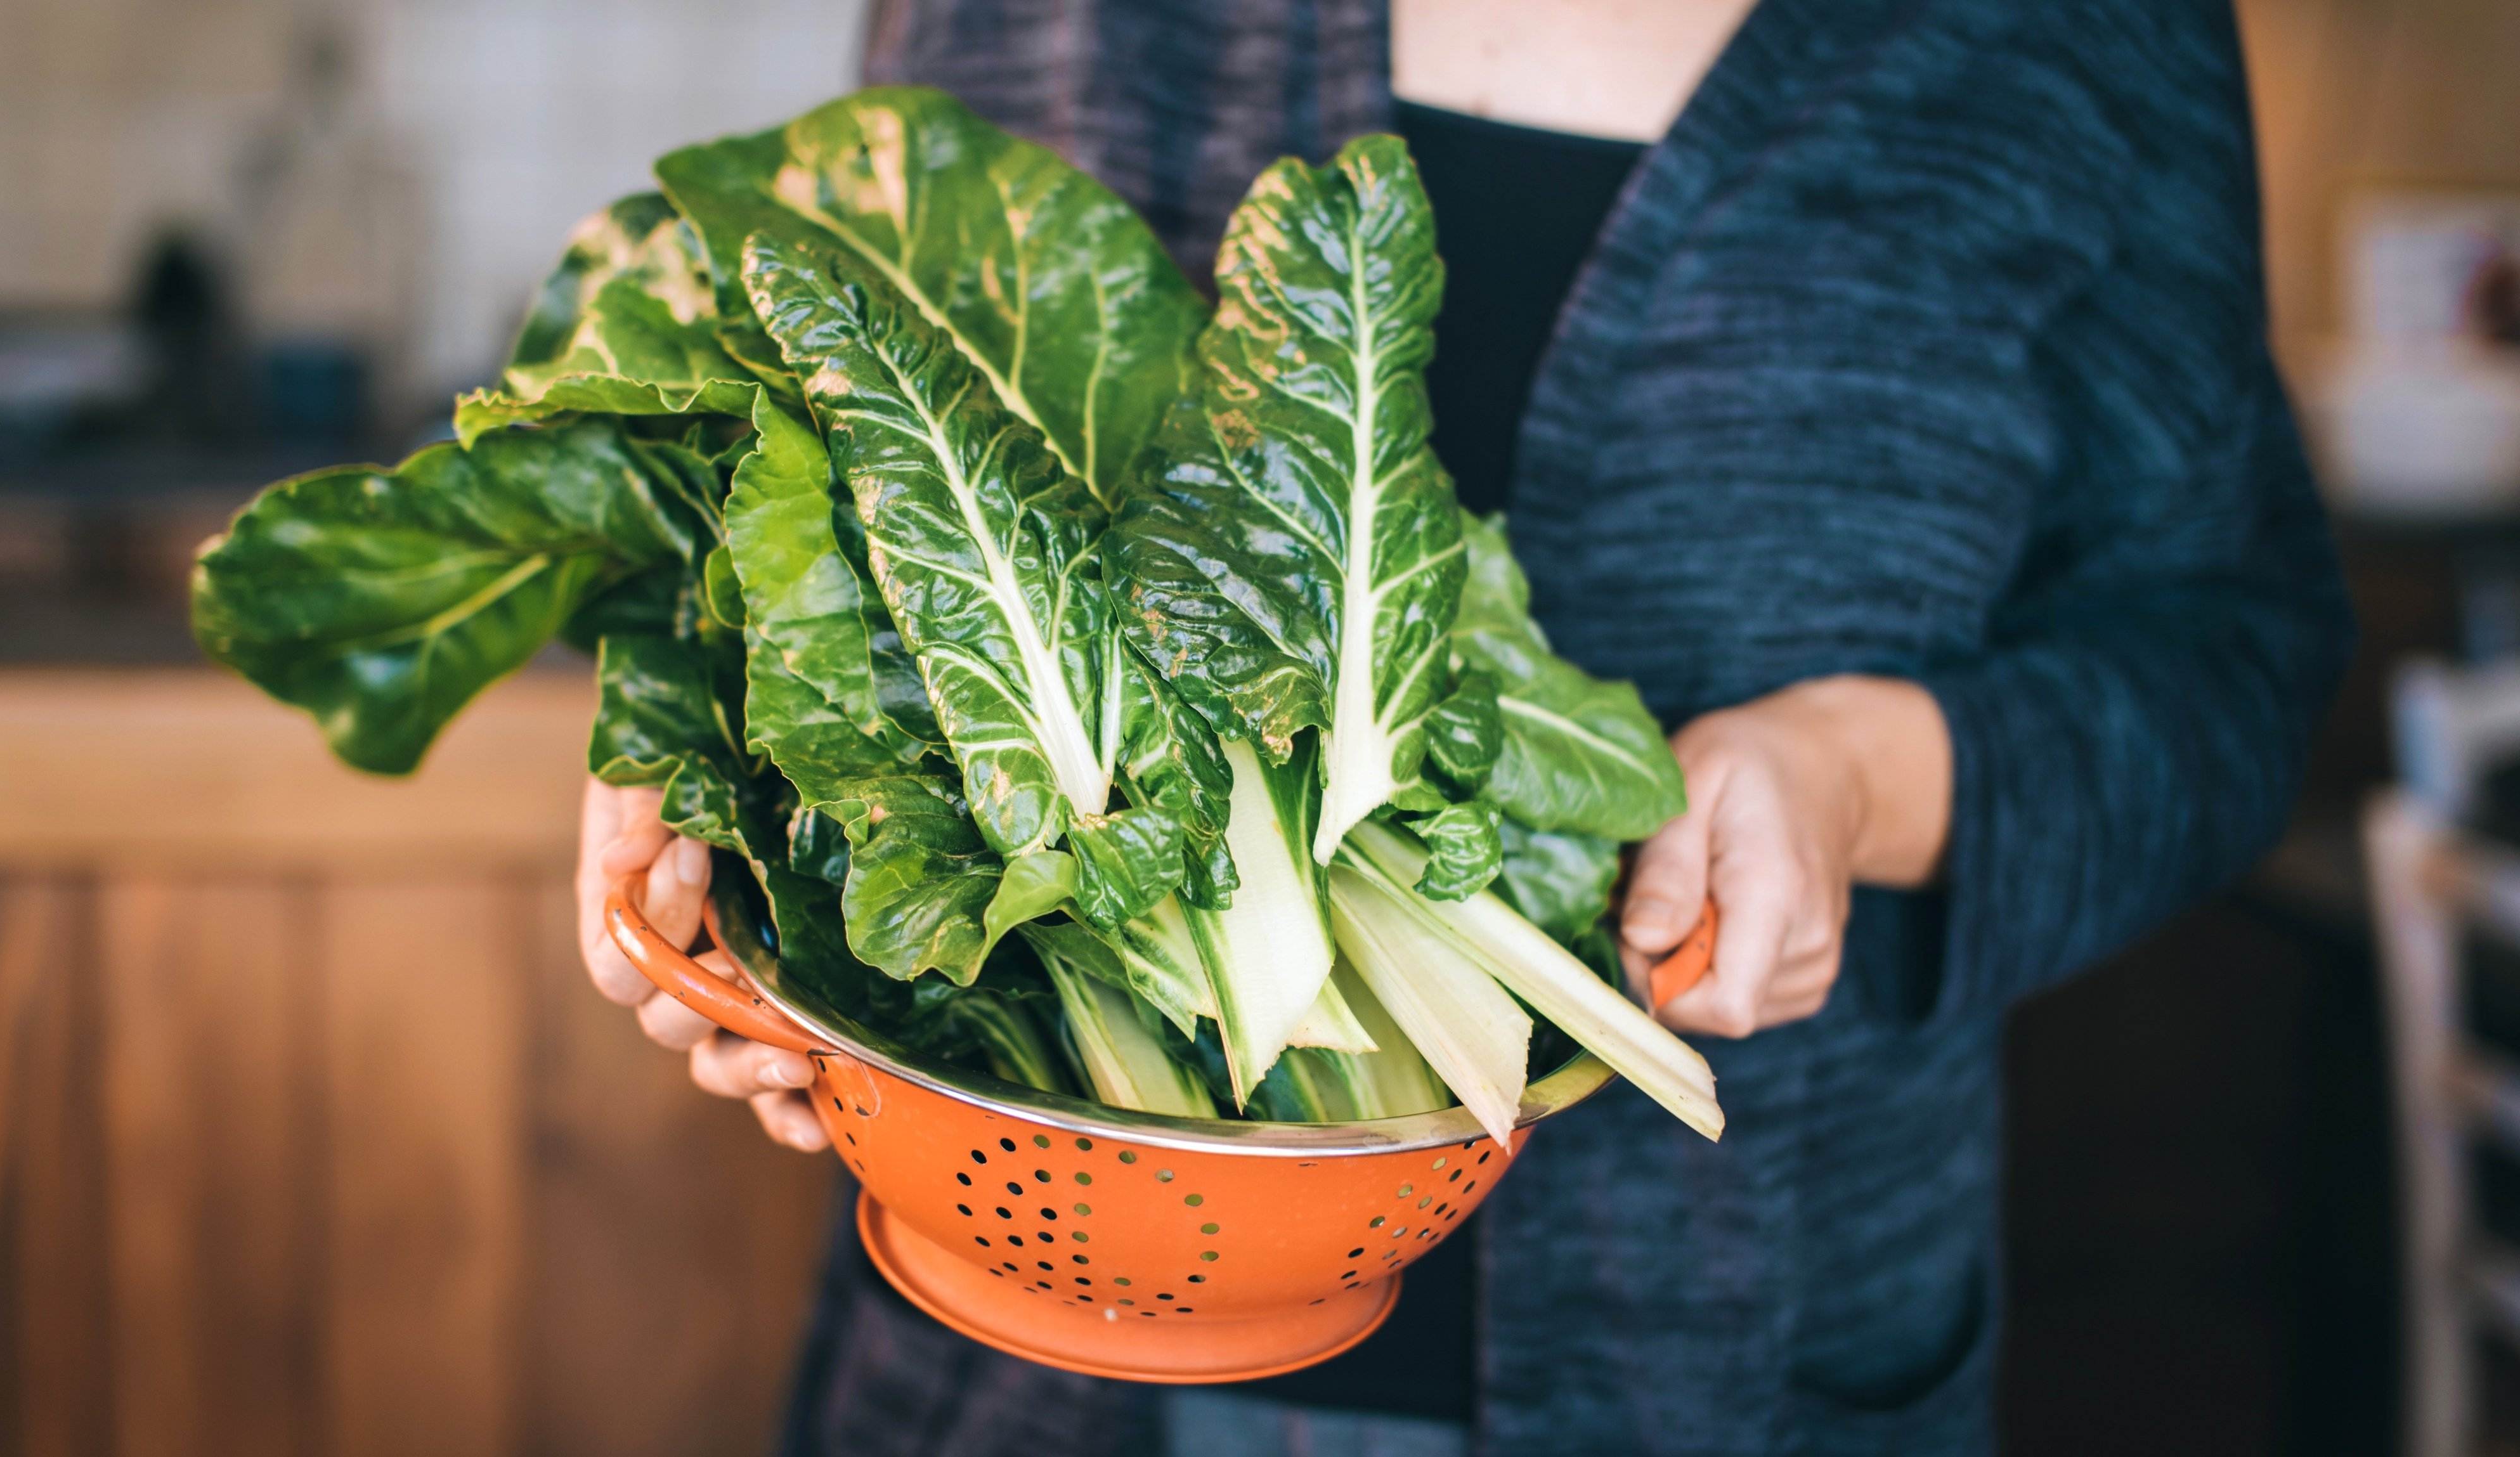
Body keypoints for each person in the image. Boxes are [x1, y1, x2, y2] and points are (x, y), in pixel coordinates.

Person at [578, 0, 2354, 1451]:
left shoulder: (2081, 46)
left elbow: (2233, 656)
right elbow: (818, 467)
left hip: (1739, 1361)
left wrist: (1863, 775)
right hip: (1019, 1351)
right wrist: (742, 853)